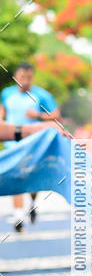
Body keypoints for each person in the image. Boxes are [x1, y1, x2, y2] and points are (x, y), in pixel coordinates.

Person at [0, 63, 61, 230]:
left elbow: (56, 115)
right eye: (21, 77)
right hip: (12, 143)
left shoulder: (42, 95)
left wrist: (38, 116)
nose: (25, 81)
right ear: (15, 77)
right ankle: (18, 214)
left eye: (28, 78)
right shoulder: (7, 93)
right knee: (16, 174)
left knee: (31, 177)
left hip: (33, 143)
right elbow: (2, 111)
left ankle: (32, 203)